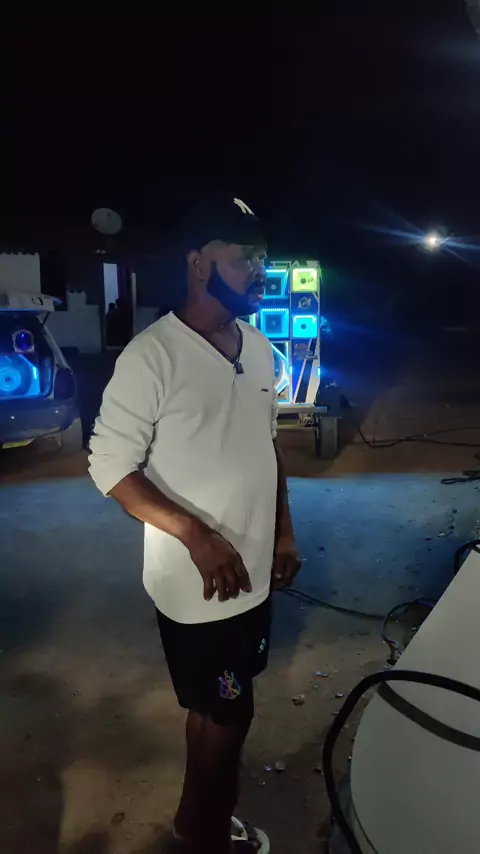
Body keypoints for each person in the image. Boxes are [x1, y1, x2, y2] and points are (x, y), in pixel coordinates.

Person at [89, 195, 300, 853]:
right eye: (244, 258)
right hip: (198, 587)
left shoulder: (259, 349)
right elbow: (110, 467)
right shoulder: (152, 357)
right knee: (230, 711)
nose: (259, 271)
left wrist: (283, 530)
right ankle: (207, 836)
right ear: (198, 264)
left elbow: (267, 447)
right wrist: (196, 535)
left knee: (213, 707)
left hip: (253, 574)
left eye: (262, 258)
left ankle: (193, 820)